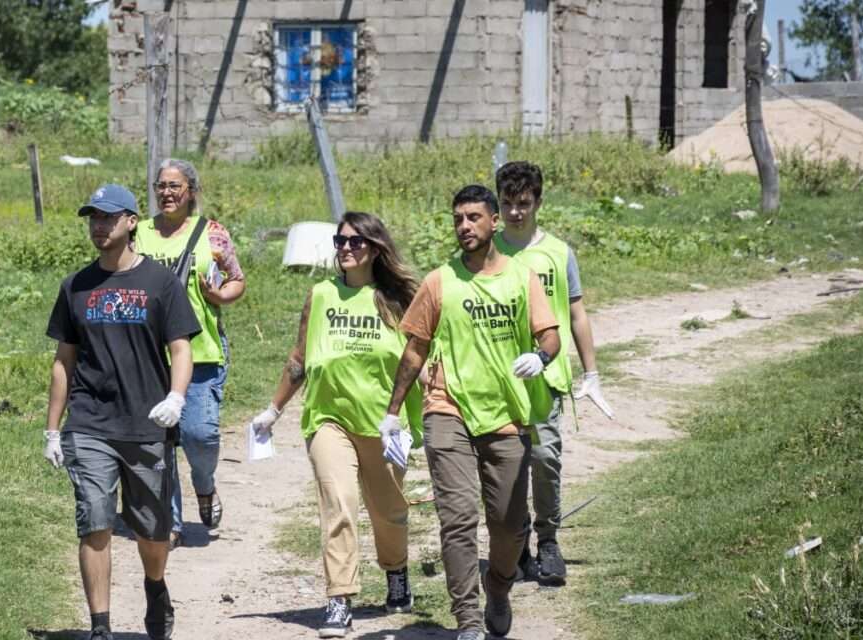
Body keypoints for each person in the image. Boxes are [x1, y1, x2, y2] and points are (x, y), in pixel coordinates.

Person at [383, 185, 561, 640]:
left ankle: (498, 588)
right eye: (459, 218)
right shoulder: (439, 281)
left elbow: (550, 336)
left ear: (495, 221)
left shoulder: (522, 277)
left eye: (474, 217)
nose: (465, 226)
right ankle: (466, 619)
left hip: (506, 416)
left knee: (509, 525)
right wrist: (392, 413)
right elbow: (414, 349)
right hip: (448, 410)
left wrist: (540, 358)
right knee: (457, 518)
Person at [248, 212, 424, 638]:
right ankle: (339, 600)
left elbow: (421, 359)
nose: (345, 248)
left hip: (384, 425)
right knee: (339, 505)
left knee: (389, 512)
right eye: (339, 241)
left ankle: (396, 571)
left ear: (375, 248)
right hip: (329, 420)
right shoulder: (322, 295)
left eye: (355, 242)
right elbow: (299, 358)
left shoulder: (399, 299)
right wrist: (273, 411)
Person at [43, 184, 200, 640]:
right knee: (95, 519)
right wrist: (53, 430)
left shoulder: (160, 283)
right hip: (90, 422)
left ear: (132, 222)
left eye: (108, 217)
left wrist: (176, 397)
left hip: (146, 423)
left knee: (152, 529)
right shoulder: (76, 286)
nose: (98, 225)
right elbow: (63, 360)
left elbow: (181, 347)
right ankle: (101, 627)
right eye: (93, 217)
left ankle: (155, 587)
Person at [494, 161, 614, 586]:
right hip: (498, 380)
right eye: (507, 204)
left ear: (538, 202)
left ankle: (548, 541)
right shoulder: (486, 253)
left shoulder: (559, 253)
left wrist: (591, 373)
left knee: (545, 458)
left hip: (546, 378)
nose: (515, 213)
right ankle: (516, 544)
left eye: (524, 203)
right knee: (508, 465)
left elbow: (576, 313)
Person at [135, 158, 246, 549]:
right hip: (150, 353)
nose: (166, 193)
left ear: (191, 192)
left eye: (175, 186)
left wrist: (219, 295)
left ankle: (204, 484)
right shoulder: (138, 233)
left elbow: (237, 280)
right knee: (159, 442)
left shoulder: (212, 234)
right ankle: (172, 523)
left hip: (201, 351)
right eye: (161, 186)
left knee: (199, 435)